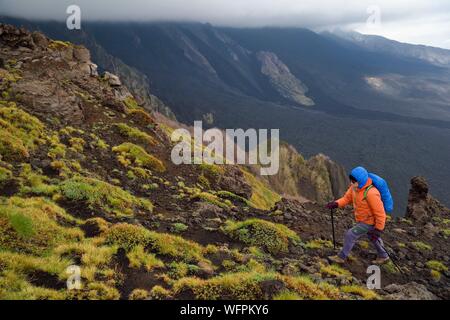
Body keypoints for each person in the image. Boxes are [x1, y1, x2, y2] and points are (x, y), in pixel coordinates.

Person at [326, 166, 389, 265]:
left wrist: (378, 229)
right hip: (363, 220)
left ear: (361, 181)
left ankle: (341, 257)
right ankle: (384, 256)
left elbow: (380, 214)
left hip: (369, 222)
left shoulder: (371, 193)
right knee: (373, 237)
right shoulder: (354, 188)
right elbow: (346, 199)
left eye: (353, 182)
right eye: (351, 181)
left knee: (350, 234)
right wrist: (336, 203)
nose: (351, 183)